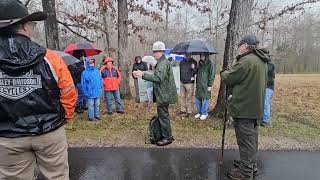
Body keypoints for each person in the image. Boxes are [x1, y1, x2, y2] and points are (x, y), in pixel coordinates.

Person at [0, 1, 77, 179]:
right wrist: (63, 118)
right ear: (24, 27)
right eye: (32, 24)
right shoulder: (51, 57)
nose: (32, 28)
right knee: (57, 176)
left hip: (6, 137)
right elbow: (68, 92)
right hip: (49, 132)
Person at [220, 35, 269, 180]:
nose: (238, 48)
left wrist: (224, 71)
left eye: (239, 45)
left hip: (244, 108)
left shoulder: (246, 61)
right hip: (255, 108)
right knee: (252, 139)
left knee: (245, 141)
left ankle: (245, 172)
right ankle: (250, 164)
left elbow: (228, 77)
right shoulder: (261, 60)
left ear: (245, 45)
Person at [133, 41, 178, 146]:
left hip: (164, 94)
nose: (154, 54)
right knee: (163, 115)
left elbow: (158, 78)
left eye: (156, 51)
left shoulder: (162, 63)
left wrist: (142, 74)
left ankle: (167, 138)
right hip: (163, 93)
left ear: (161, 52)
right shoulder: (162, 62)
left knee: (163, 116)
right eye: (154, 51)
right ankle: (166, 134)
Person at [194, 53, 215, 120]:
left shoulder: (210, 64)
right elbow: (196, 72)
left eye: (203, 55)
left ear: (206, 56)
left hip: (206, 85)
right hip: (199, 84)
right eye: (201, 55)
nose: (201, 57)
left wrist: (210, 85)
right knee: (198, 98)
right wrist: (195, 67)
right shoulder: (199, 63)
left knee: (205, 99)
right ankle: (199, 112)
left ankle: (204, 113)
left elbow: (212, 75)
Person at [261, 49, 275, 126]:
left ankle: (265, 120)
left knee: (266, 103)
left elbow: (267, 74)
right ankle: (262, 117)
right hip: (262, 86)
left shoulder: (270, 65)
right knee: (261, 102)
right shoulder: (264, 64)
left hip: (268, 87)